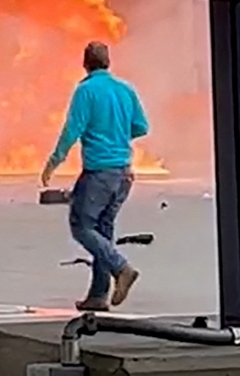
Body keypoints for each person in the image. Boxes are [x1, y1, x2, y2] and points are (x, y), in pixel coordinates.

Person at [41, 41, 149, 311]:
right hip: (124, 174)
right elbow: (141, 126)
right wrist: (117, 136)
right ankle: (98, 296)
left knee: (82, 227)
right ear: (108, 62)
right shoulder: (125, 90)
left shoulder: (86, 91)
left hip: (99, 173)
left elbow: (72, 130)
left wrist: (53, 162)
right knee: (103, 230)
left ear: (85, 63)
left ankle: (121, 268)